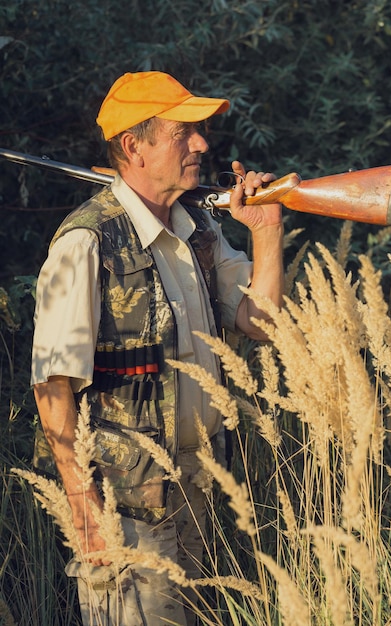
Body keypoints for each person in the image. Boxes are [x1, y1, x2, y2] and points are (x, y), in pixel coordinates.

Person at [31, 71, 284, 626]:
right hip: (127, 508)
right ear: (133, 146)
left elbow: (261, 324)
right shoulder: (87, 241)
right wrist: (84, 509)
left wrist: (265, 231)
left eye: (200, 132)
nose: (202, 144)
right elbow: (53, 385)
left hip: (199, 488)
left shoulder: (200, 231)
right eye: (183, 133)